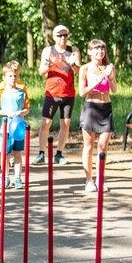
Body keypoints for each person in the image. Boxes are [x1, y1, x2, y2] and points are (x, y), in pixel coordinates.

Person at [34, 25, 80, 166]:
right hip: (52, 92)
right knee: (45, 123)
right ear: (54, 37)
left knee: (65, 124)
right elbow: (41, 71)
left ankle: (59, 154)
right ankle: (41, 153)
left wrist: (73, 64)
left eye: (65, 35)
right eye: (59, 35)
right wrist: (50, 65)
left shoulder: (74, 51)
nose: (63, 38)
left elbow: (79, 71)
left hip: (68, 93)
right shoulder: (48, 51)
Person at [78, 39, 117, 193]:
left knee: (103, 146)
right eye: (96, 49)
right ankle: (89, 180)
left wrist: (111, 77)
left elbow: (113, 90)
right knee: (89, 146)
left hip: (106, 108)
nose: (100, 51)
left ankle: (101, 179)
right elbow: (82, 92)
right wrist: (100, 79)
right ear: (89, 51)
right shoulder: (85, 69)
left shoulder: (109, 67)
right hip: (91, 108)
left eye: (102, 48)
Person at [0, 62, 30, 189]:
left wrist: (21, 112)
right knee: (6, 154)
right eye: (10, 76)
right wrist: (5, 112)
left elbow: (27, 109)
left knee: (18, 154)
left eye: (15, 76)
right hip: (6, 128)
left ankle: (18, 177)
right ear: (4, 77)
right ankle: (6, 177)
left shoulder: (22, 92)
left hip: (18, 128)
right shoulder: (0, 92)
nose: (13, 78)